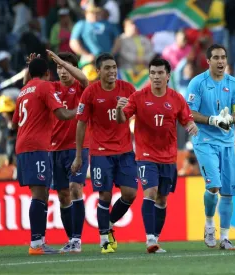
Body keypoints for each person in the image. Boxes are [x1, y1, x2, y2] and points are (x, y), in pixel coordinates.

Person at [116, 57, 198, 253]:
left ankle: (156, 238)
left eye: (160, 73)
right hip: (145, 155)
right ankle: (150, 239)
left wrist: (191, 125)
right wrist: (119, 108)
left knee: (162, 199)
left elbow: (186, 119)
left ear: (168, 76)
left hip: (168, 157)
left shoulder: (176, 98)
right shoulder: (138, 96)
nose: (156, 76)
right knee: (150, 193)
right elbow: (122, 120)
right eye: (152, 73)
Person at [71, 53, 138, 254]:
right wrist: (78, 155)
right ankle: (104, 240)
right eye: (107, 68)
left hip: (125, 150)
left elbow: (139, 113)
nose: (112, 71)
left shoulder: (127, 89)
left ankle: (108, 223)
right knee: (105, 195)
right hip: (100, 152)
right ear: (98, 71)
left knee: (130, 193)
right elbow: (81, 123)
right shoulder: (90, 93)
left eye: (114, 67)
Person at [13, 57, 76, 255]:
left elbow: (15, 122)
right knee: (40, 194)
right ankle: (36, 244)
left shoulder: (23, 91)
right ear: (48, 73)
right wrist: (81, 110)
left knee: (41, 193)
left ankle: (38, 242)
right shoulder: (45, 87)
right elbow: (63, 115)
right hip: (36, 146)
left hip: (23, 146)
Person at [185, 44, 235, 250]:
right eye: (216, 58)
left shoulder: (234, 84)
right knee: (214, 186)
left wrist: (228, 119)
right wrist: (212, 120)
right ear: (208, 61)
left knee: (227, 192)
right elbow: (189, 112)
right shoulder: (197, 83)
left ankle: (225, 238)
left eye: (223, 57)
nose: (220, 61)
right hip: (205, 141)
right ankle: (210, 223)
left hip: (227, 143)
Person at [46, 50, 89, 253]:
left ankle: (77, 239)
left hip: (77, 146)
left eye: (66, 67)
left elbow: (84, 78)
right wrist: (30, 70)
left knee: (75, 188)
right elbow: (29, 87)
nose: (62, 71)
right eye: (59, 67)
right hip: (55, 148)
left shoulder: (80, 89)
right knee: (63, 195)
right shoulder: (52, 88)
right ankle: (71, 239)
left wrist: (62, 60)